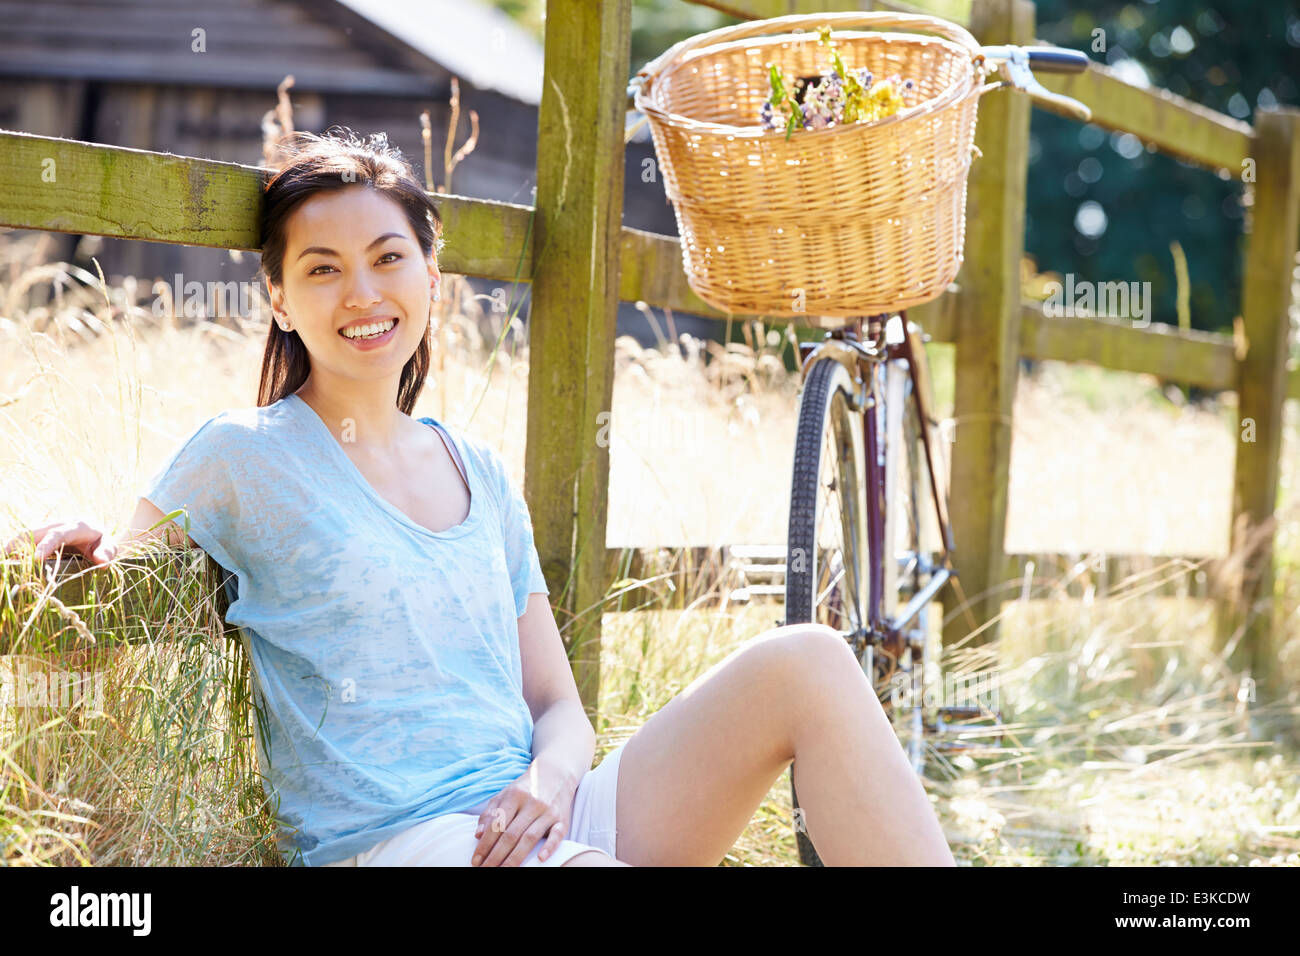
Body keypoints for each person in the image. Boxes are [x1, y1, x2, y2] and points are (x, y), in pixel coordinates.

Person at [2, 128, 956, 868]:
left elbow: (559, 705)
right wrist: (77, 547)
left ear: (432, 276)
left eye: (388, 258)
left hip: (538, 812)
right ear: (281, 300)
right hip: (403, 839)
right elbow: (114, 579)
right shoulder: (241, 455)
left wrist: (549, 783)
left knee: (809, 659)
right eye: (321, 269)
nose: (362, 293)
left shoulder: (479, 471)